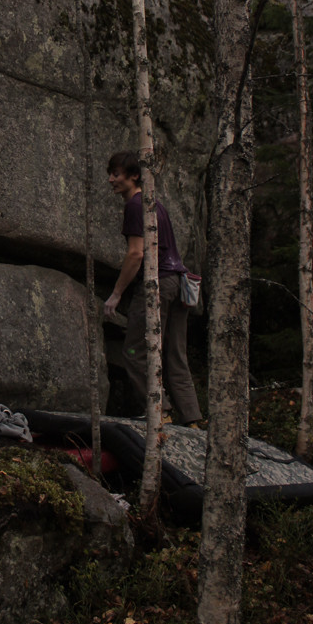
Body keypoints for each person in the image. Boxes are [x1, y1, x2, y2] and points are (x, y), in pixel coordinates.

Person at [102, 150, 202, 425]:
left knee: (134, 352)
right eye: (110, 174)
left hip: (157, 284)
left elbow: (136, 254)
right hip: (178, 283)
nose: (111, 180)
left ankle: (160, 410)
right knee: (175, 354)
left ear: (134, 176)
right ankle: (191, 417)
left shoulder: (136, 206)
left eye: (116, 174)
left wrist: (116, 294)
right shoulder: (155, 204)